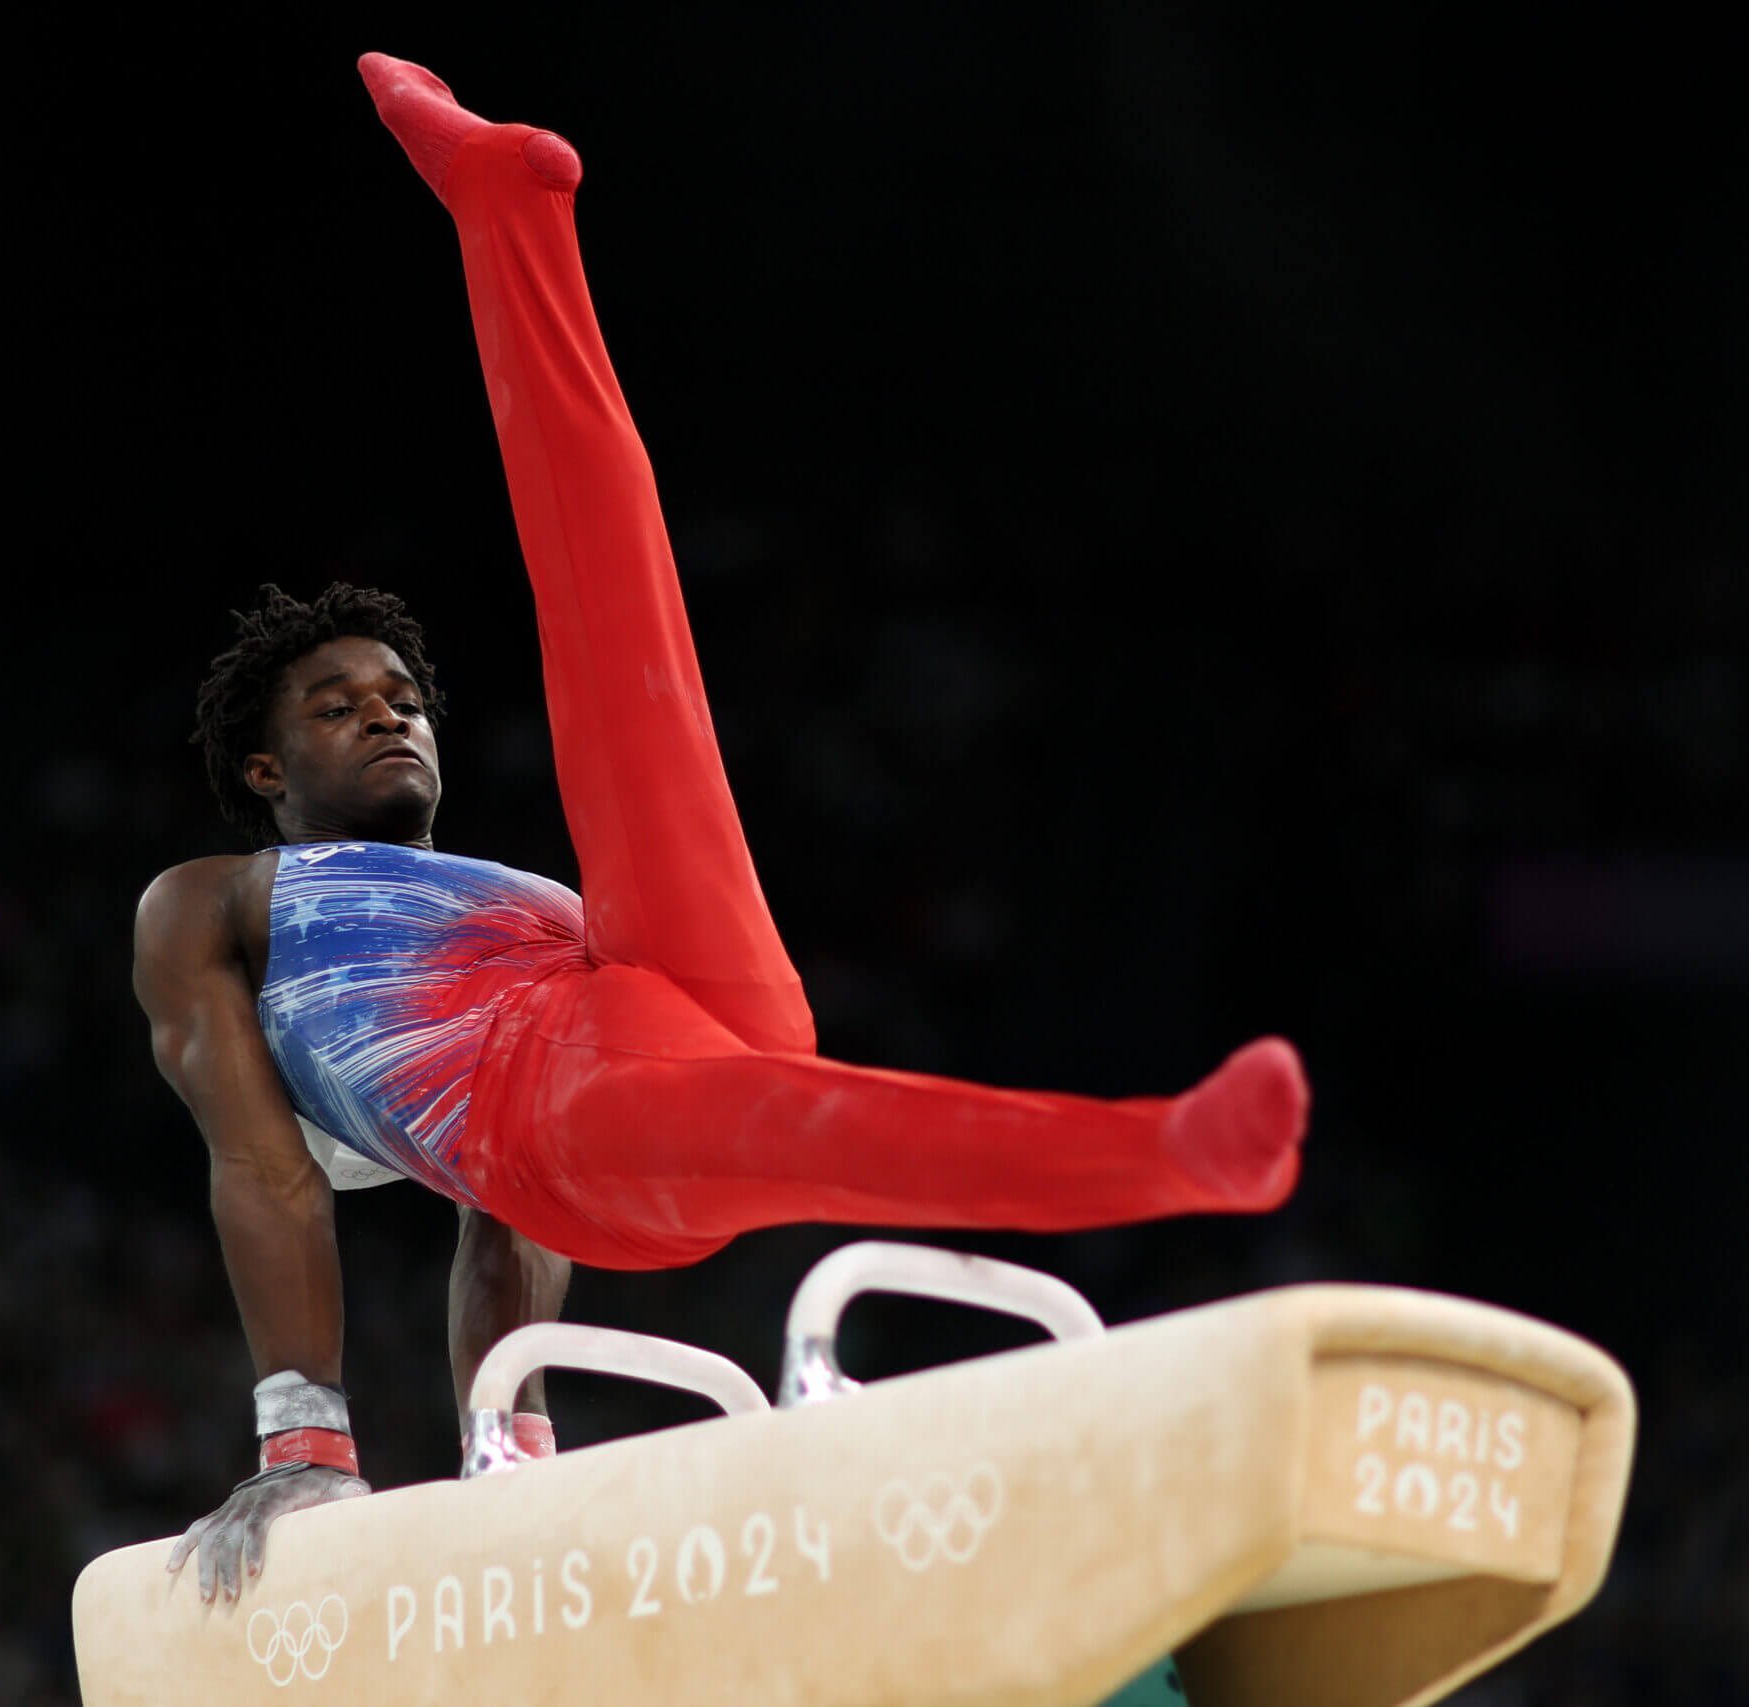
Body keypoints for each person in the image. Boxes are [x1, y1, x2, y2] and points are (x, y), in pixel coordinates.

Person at [133, 53, 1311, 1603]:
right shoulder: (218, 902)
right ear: (268, 770)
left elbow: (500, 1242)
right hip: (560, 1118)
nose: (391, 710)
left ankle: (509, 208)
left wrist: (513, 1442)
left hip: (626, 988)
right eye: (341, 702)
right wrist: (308, 1448)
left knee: (622, 626)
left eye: (406, 691)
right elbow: (268, 1174)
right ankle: (1170, 1153)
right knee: (827, 1125)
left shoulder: (512, 887)